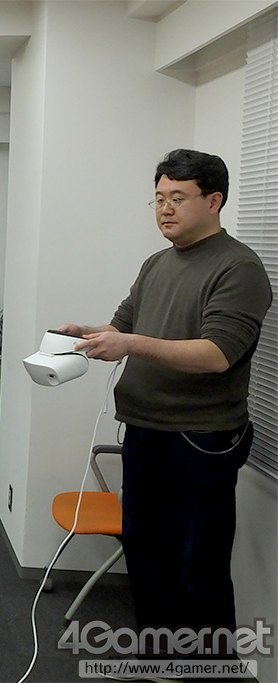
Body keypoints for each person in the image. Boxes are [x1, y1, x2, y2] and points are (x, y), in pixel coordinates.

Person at [58, 149, 272, 655]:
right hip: (145, 430)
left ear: (214, 201)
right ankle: (160, 659)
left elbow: (217, 354)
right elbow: (123, 326)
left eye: (178, 197)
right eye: (158, 198)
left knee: (198, 565)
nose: (165, 209)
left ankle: (207, 670)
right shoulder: (156, 263)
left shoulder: (239, 267)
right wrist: (85, 333)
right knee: (146, 554)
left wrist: (129, 344)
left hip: (201, 439)